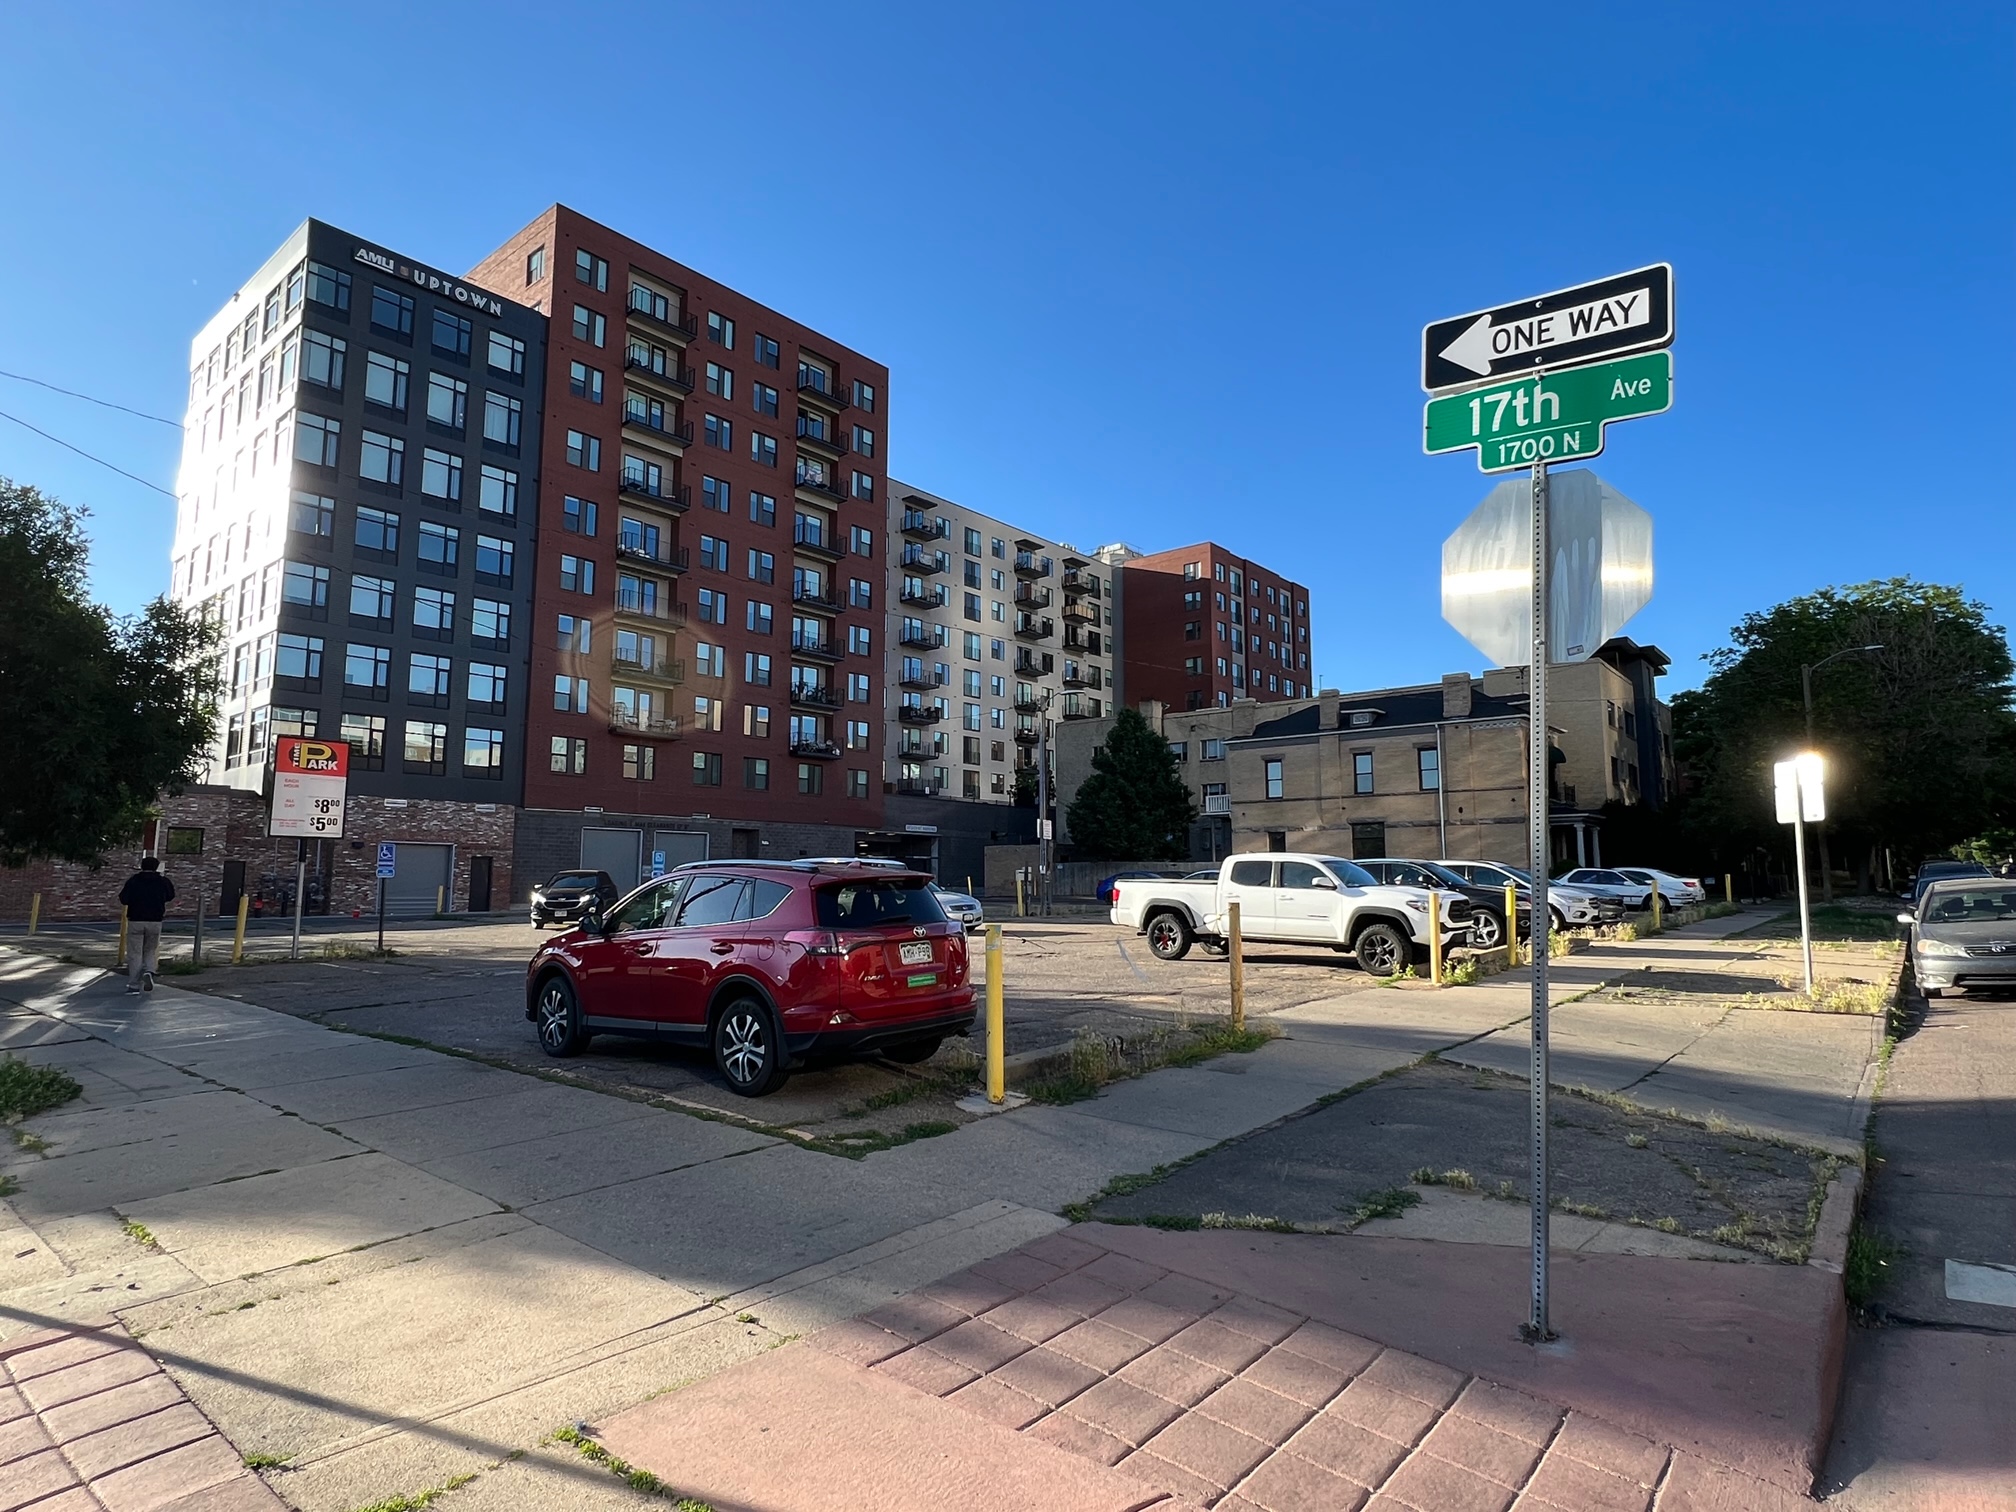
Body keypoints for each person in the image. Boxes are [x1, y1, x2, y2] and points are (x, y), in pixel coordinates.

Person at [118, 857, 175, 994]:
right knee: (150, 950)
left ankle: (133, 985)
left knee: (135, 953)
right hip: (156, 920)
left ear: (141, 866)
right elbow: (170, 896)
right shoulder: (163, 881)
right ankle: (149, 970)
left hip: (136, 920)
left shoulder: (134, 881)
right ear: (157, 867)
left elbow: (123, 899)